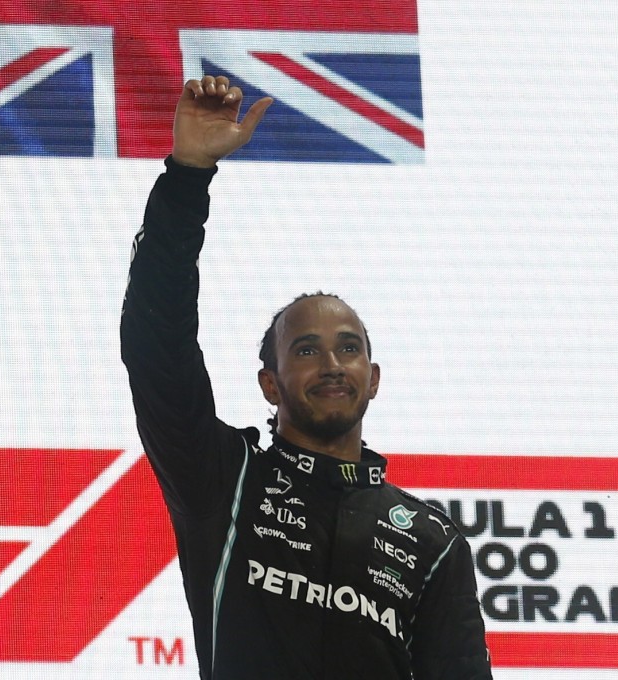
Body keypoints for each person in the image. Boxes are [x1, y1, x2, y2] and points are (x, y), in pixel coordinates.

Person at [121, 75, 492, 680]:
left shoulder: (433, 539)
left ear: (372, 379)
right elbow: (156, 346)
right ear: (270, 383)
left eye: (348, 349)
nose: (330, 363)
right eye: (306, 350)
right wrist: (188, 174)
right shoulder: (223, 481)